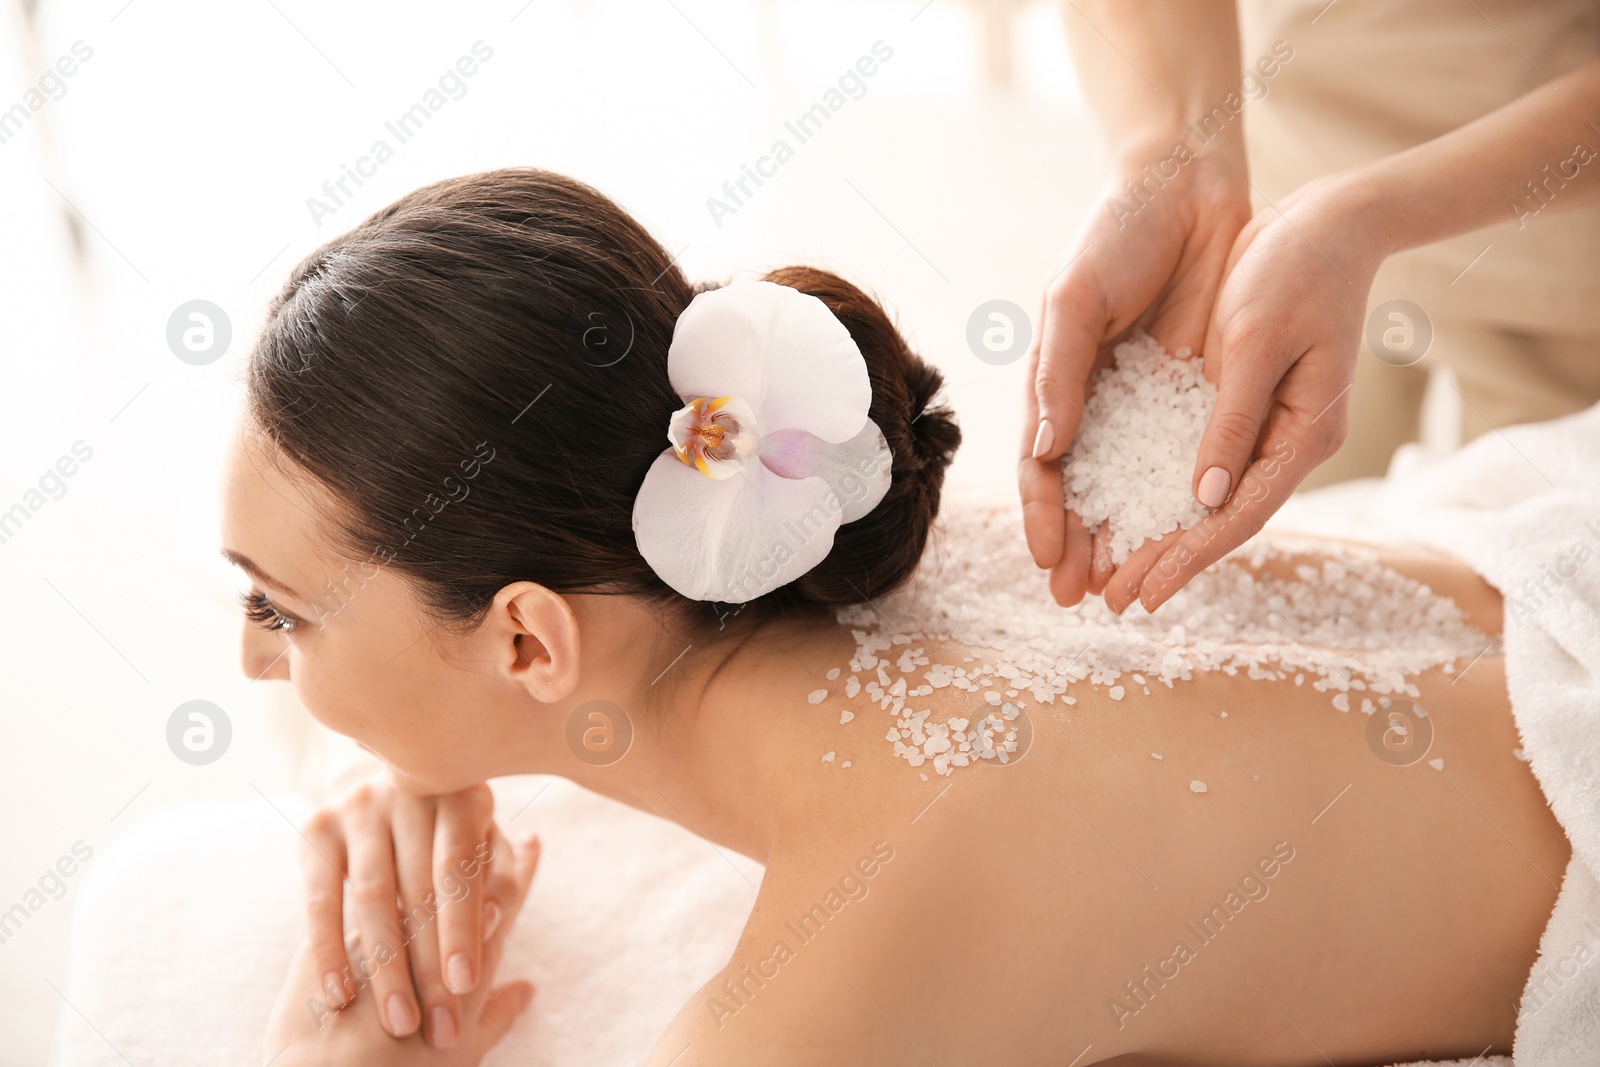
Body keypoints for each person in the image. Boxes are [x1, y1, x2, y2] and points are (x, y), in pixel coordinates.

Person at [233, 169, 1565, 1065]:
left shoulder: (837, 957)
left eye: (278, 611)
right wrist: (365, 761)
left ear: (531, 640)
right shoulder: (812, 541)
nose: (253, 657)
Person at [1019, 0, 1600, 617]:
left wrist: (1369, 216)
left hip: (1544, 228)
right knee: (1290, 593)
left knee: (1523, 598)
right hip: (1277, 233)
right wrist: (1178, 158)